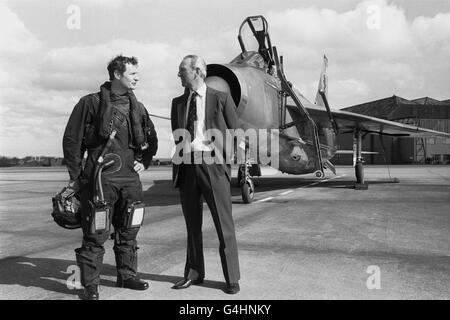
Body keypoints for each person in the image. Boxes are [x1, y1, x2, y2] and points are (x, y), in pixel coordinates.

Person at [63, 55, 158, 300]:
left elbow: (152, 140)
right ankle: (90, 286)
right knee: (96, 233)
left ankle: (127, 276)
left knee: (129, 229)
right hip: (100, 179)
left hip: (130, 179)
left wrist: (144, 163)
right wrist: (76, 176)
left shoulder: (139, 107)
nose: (138, 77)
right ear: (117, 74)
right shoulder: (90, 103)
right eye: (133, 73)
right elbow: (72, 141)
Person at [170, 55, 241, 294]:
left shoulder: (221, 98)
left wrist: (225, 164)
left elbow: (236, 132)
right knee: (192, 225)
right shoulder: (177, 103)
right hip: (187, 165)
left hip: (213, 164)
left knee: (224, 224)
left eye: (182, 71)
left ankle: (231, 278)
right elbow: (177, 135)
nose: (179, 75)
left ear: (197, 71)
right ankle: (194, 273)